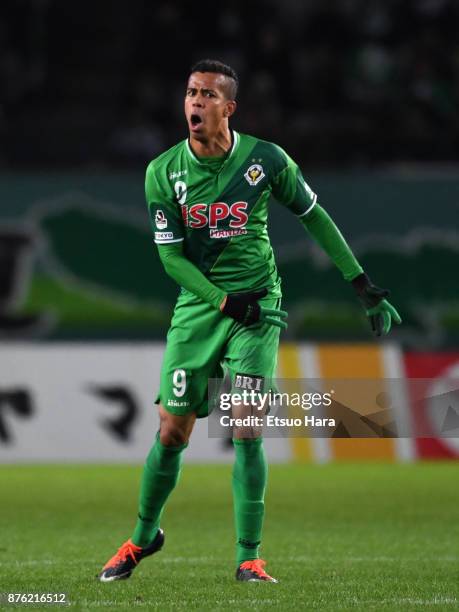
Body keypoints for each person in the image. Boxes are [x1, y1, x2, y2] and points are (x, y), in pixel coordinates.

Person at [98, 59, 401, 584]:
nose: (195, 102)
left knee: (246, 426)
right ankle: (143, 537)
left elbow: (314, 216)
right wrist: (219, 301)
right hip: (201, 308)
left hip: (258, 309)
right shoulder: (162, 172)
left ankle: (249, 557)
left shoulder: (266, 161)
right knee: (172, 432)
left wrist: (359, 281)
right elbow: (172, 260)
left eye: (207, 95)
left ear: (228, 107)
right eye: (190, 92)